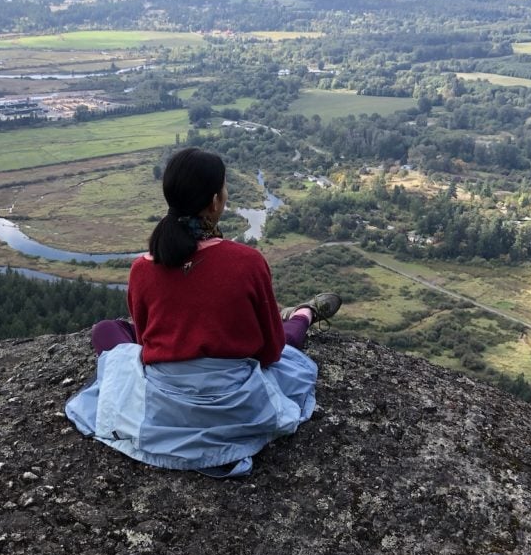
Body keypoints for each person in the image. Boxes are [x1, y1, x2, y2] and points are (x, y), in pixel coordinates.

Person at [65, 147, 341, 477]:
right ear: (214, 201)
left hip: (164, 402)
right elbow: (270, 353)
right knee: (286, 349)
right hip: (236, 402)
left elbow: (145, 344)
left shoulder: (142, 268)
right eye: (224, 188)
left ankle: (299, 314)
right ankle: (303, 315)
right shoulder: (247, 263)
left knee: (106, 331)